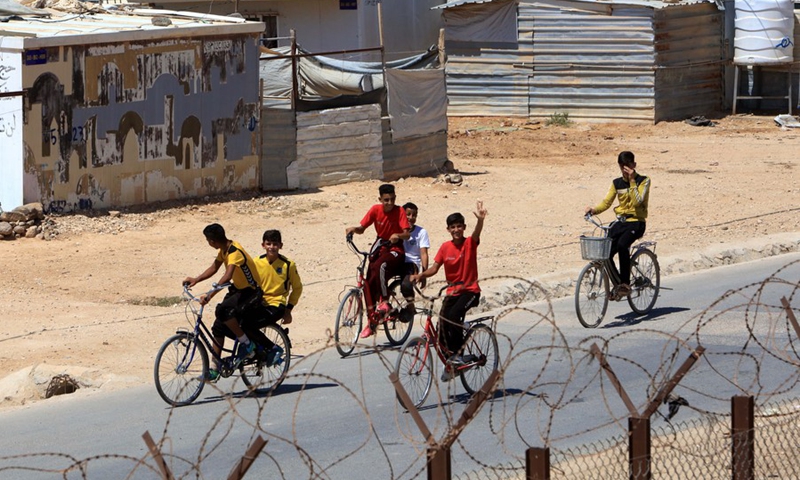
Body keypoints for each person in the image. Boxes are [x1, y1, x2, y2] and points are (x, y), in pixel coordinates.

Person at [410, 200, 487, 380]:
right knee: (442, 327)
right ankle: (451, 364)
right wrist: (421, 276)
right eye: (452, 227)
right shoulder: (445, 247)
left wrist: (481, 221)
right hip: (452, 293)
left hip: (470, 291)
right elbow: (435, 268)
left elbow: (476, 234)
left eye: (459, 226)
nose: (456, 230)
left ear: (464, 227)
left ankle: (458, 356)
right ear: (448, 229)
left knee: (453, 316)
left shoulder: (469, 243)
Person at [183, 223, 263, 382]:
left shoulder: (234, 252)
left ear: (212, 241)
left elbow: (227, 275)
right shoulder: (224, 249)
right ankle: (214, 368)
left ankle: (247, 345)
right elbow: (214, 267)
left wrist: (210, 295)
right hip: (239, 290)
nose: (208, 243)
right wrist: (196, 280)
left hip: (252, 292)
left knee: (223, 311)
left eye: (207, 240)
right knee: (218, 327)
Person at [345, 183, 411, 338]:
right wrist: (353, 229)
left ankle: (385, 301)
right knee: (369, 281)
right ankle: (371, 321)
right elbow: (362, 228)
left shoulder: (399, 211)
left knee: (381, 266)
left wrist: (397, 236)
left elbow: (407, 234)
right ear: (380, 199)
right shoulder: (375, 210)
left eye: (392, 199)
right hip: (381, 244)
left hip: (396, 248)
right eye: (386, 200)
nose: (390, 203)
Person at [584, 151, 650, 299]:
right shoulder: (617, 183)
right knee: (605, 252)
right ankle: (618, 285)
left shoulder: (644, 181)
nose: (625, 171)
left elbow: (637, 201)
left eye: (628, 167)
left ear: (634, 165)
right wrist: (594, 210)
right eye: (622, 168)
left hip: (637, 223)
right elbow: (607, 202)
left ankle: (625, 284)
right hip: (621, 222)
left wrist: (632, 181)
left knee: (622, 245)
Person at [260, 229, 303, 325]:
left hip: (276, 303)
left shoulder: (288, 265)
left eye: (275, 244)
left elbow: (297, 288)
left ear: (280, 245)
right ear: (263, 245)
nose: (271, 247)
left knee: (256, 324)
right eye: (268, 244)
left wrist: (288, 310)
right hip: (258, 301)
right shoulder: (256, 263)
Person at [400, 202, 430, 322]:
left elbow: (423, 253)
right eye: (408, 215)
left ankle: (411, 307)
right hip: (399, 260)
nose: (411, 218)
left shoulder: (421, 232)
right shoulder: (398, 229)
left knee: (406, 285)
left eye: (414, 215)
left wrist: (424, 274)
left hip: (412, 263)